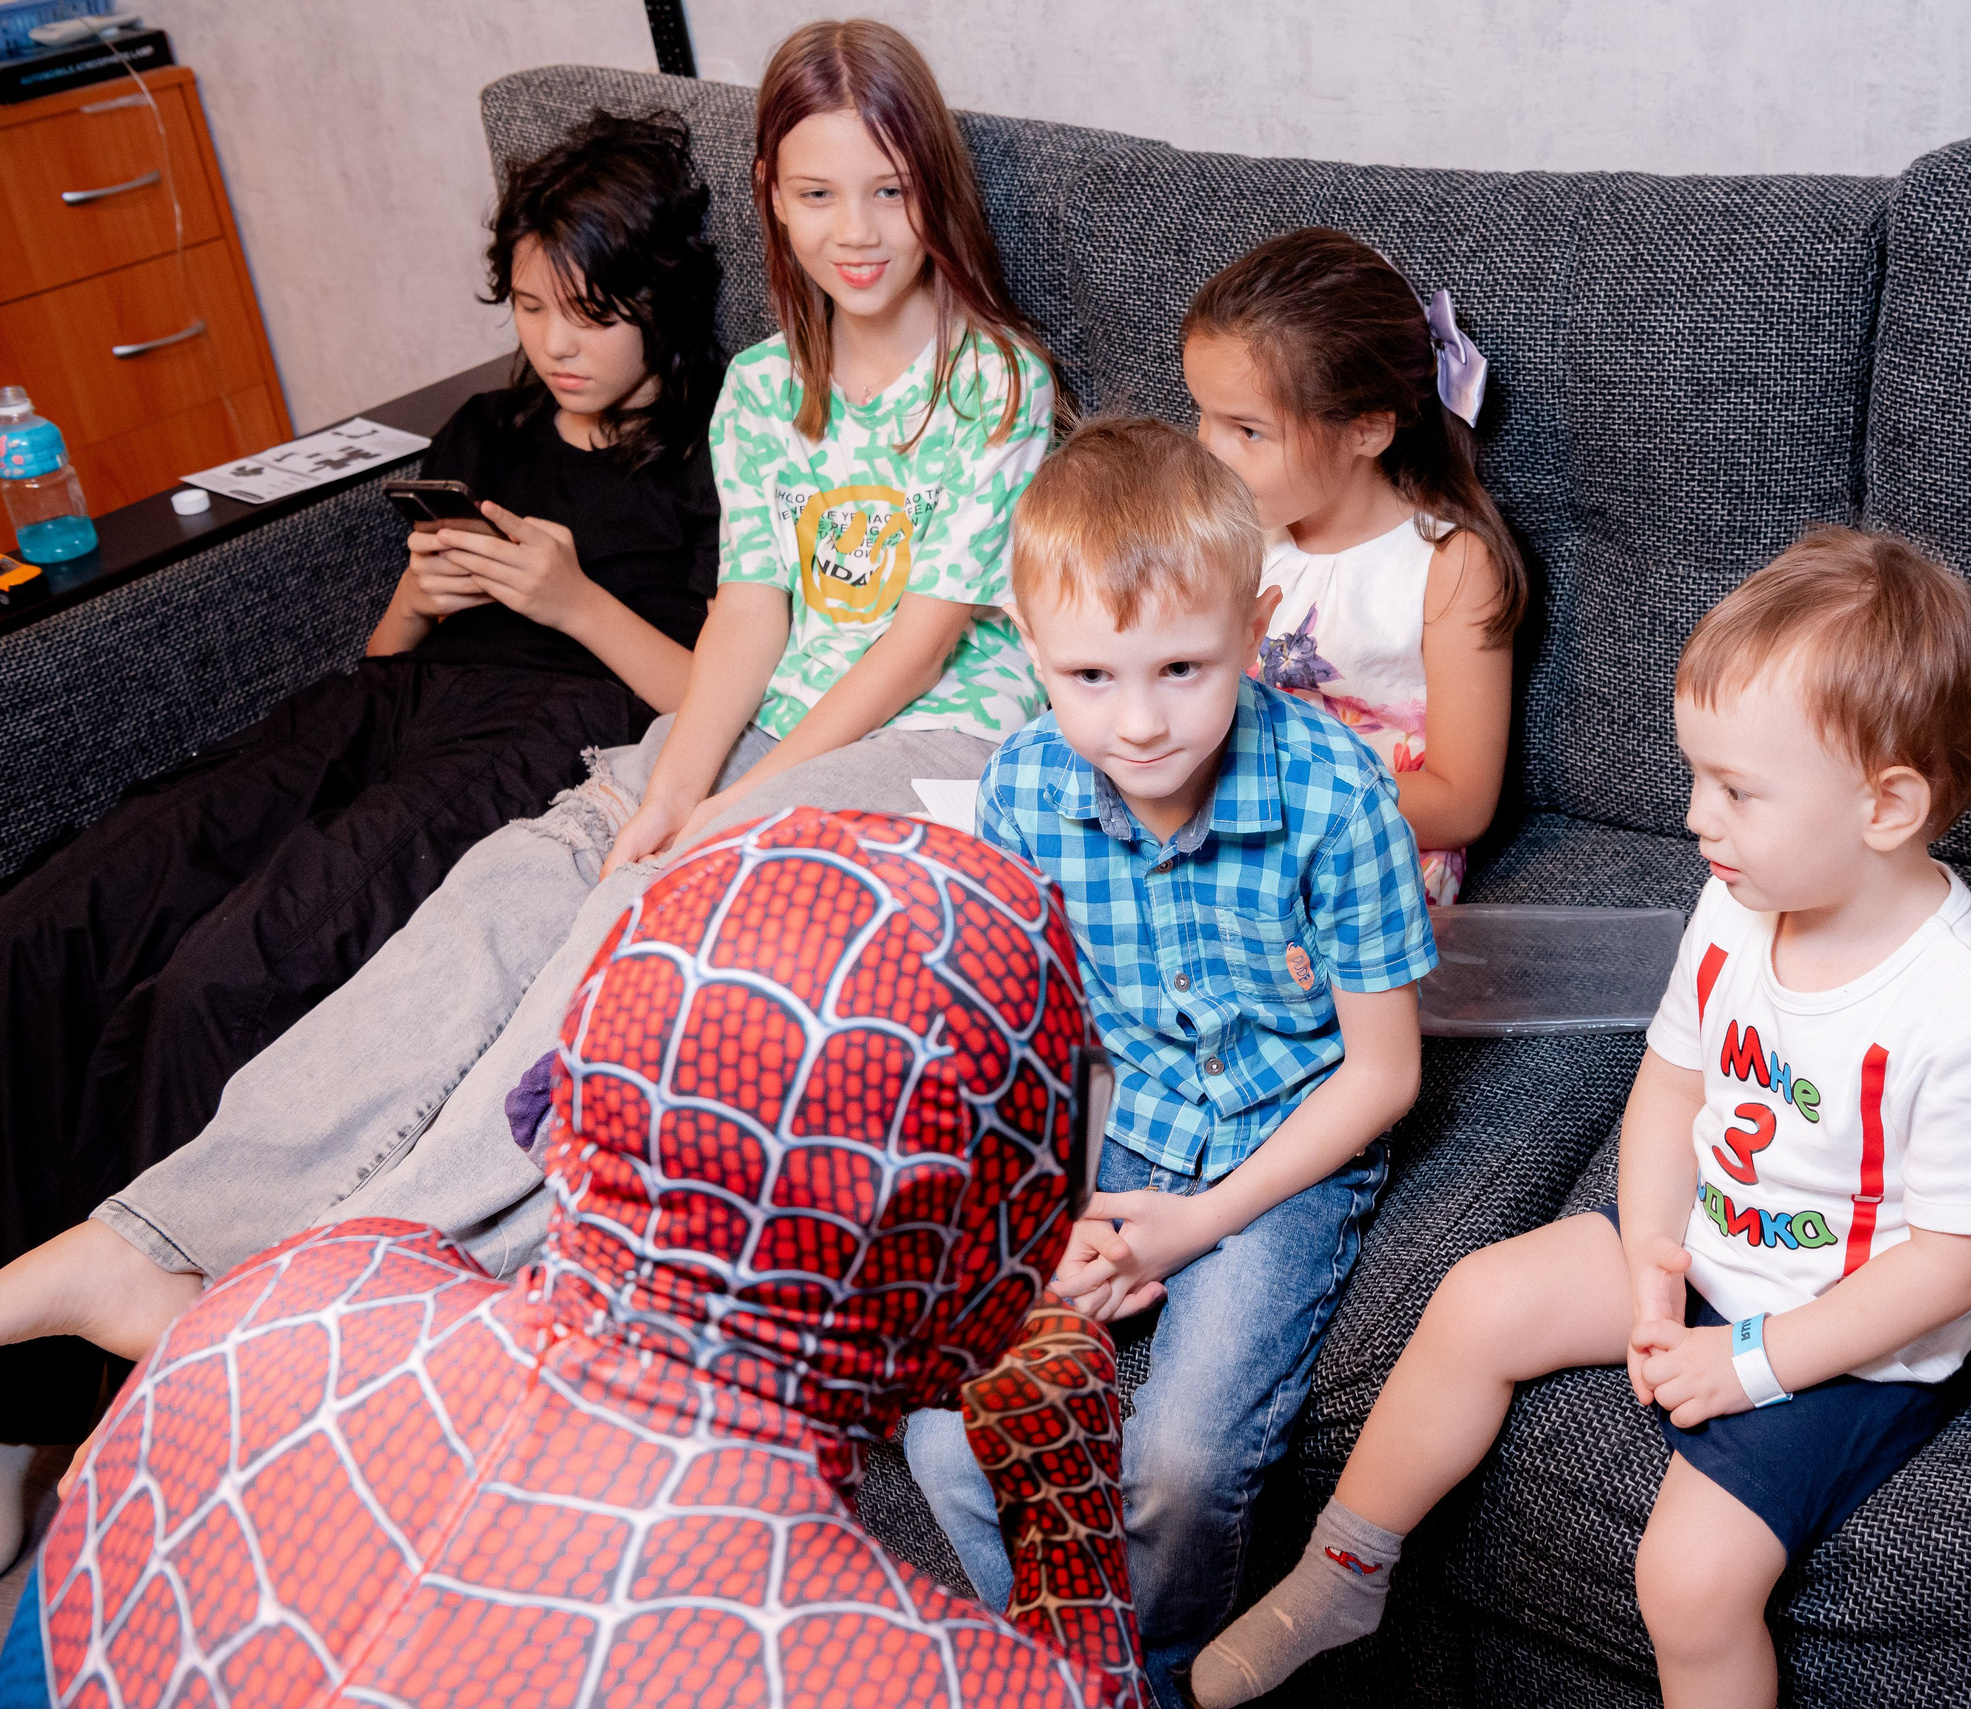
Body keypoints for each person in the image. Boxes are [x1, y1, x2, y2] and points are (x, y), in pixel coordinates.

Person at [0, 18, 1055, 1450]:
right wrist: (673, 784)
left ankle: (349, 1281)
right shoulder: (762, 393)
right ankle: (157, 1233)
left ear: (934, 188)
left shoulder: (993, 380)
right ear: (773, 202)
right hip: (774, 727)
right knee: (511, 884)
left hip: (935, 747)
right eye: (816, 195)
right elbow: (750, 618)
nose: (856, 231)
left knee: (635, 917)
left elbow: (924, 639)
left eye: (887, 190)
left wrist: (732, 811)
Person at [0, 106, 723, 1560]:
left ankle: (146, 1399)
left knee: (217, 981)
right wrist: (428, 592)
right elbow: (387, 646)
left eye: (591, 314)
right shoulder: (498, 422)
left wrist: (570, 597)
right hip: (394, 696)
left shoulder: (716, 455)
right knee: (50, 918)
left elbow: (721, 704)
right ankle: (20, 1392)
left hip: (548, 736)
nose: (558, 344)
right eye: (527, 307)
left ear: (660, 305)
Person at [1193, 527, 1971, 1709]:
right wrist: (1656, 1252)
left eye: (1736, 790)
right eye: (1696, 776)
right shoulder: (1738, 899)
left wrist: (1751, 1361)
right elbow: (1670, 1080)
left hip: (1844, 1329)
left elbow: (1956, 1267)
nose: (1695, 818)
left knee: (1689, 1578)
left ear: (1886, 804)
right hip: (1711, 1238)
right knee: (1476, 1298)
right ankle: (1344, 1567)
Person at [1, 809, 1146, 1709]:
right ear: (995, 1247)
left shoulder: (293, 1290)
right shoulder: (956, 1681)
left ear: (566, 1111)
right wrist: (1068, 1507)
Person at [901, 417, 1436, 1704]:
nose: (1137, 722)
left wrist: (1191, 1226)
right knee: (942, 1423)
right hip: (1121, 1114)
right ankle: (1045, 1665)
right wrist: (1060, 1207)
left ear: (1253, 632)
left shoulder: (1336, 794)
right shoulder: (1026, 789)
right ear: (1029, 654)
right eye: (1089, 676)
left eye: (1183, 668)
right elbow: (1047, 1035)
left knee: (1182, 1460)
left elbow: (1382, 1075)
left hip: (1284, 1130)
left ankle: (1148, 1674)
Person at [1184, 228, 1526, 905]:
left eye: (1247, 431)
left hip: (1372, 838)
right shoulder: (1233, 527)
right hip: (1216, 800)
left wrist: (1269, 801)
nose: (1208, 452)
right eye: (1204, 416)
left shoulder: (1447, 566)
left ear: (1367, 429)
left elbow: (1462, 802)